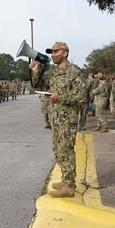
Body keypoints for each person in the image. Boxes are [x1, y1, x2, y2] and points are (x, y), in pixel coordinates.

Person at [30, 41, 85, 198]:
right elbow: (38, 85)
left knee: (66, 149)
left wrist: (60, 98)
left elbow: (81, 96)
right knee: (58, 150)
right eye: (51, 52)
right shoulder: (52, 72)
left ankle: (68, 186)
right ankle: (67, 180)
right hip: (55, 118)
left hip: (67, 119)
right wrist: (35, 71)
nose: (53, 55)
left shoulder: (74, 72)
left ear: (65, 53)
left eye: (56, 52)